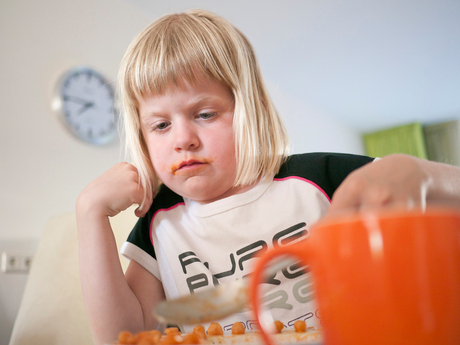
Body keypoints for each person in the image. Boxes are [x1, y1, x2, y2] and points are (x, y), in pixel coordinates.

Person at [76, 9, 460, 345]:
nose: (183, 140)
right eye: (160, 125)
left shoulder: (317, 177)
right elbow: (122, 336)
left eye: (205, 114)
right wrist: (89, 214)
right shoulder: (160, 223)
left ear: (250, 110)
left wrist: (418, 173)